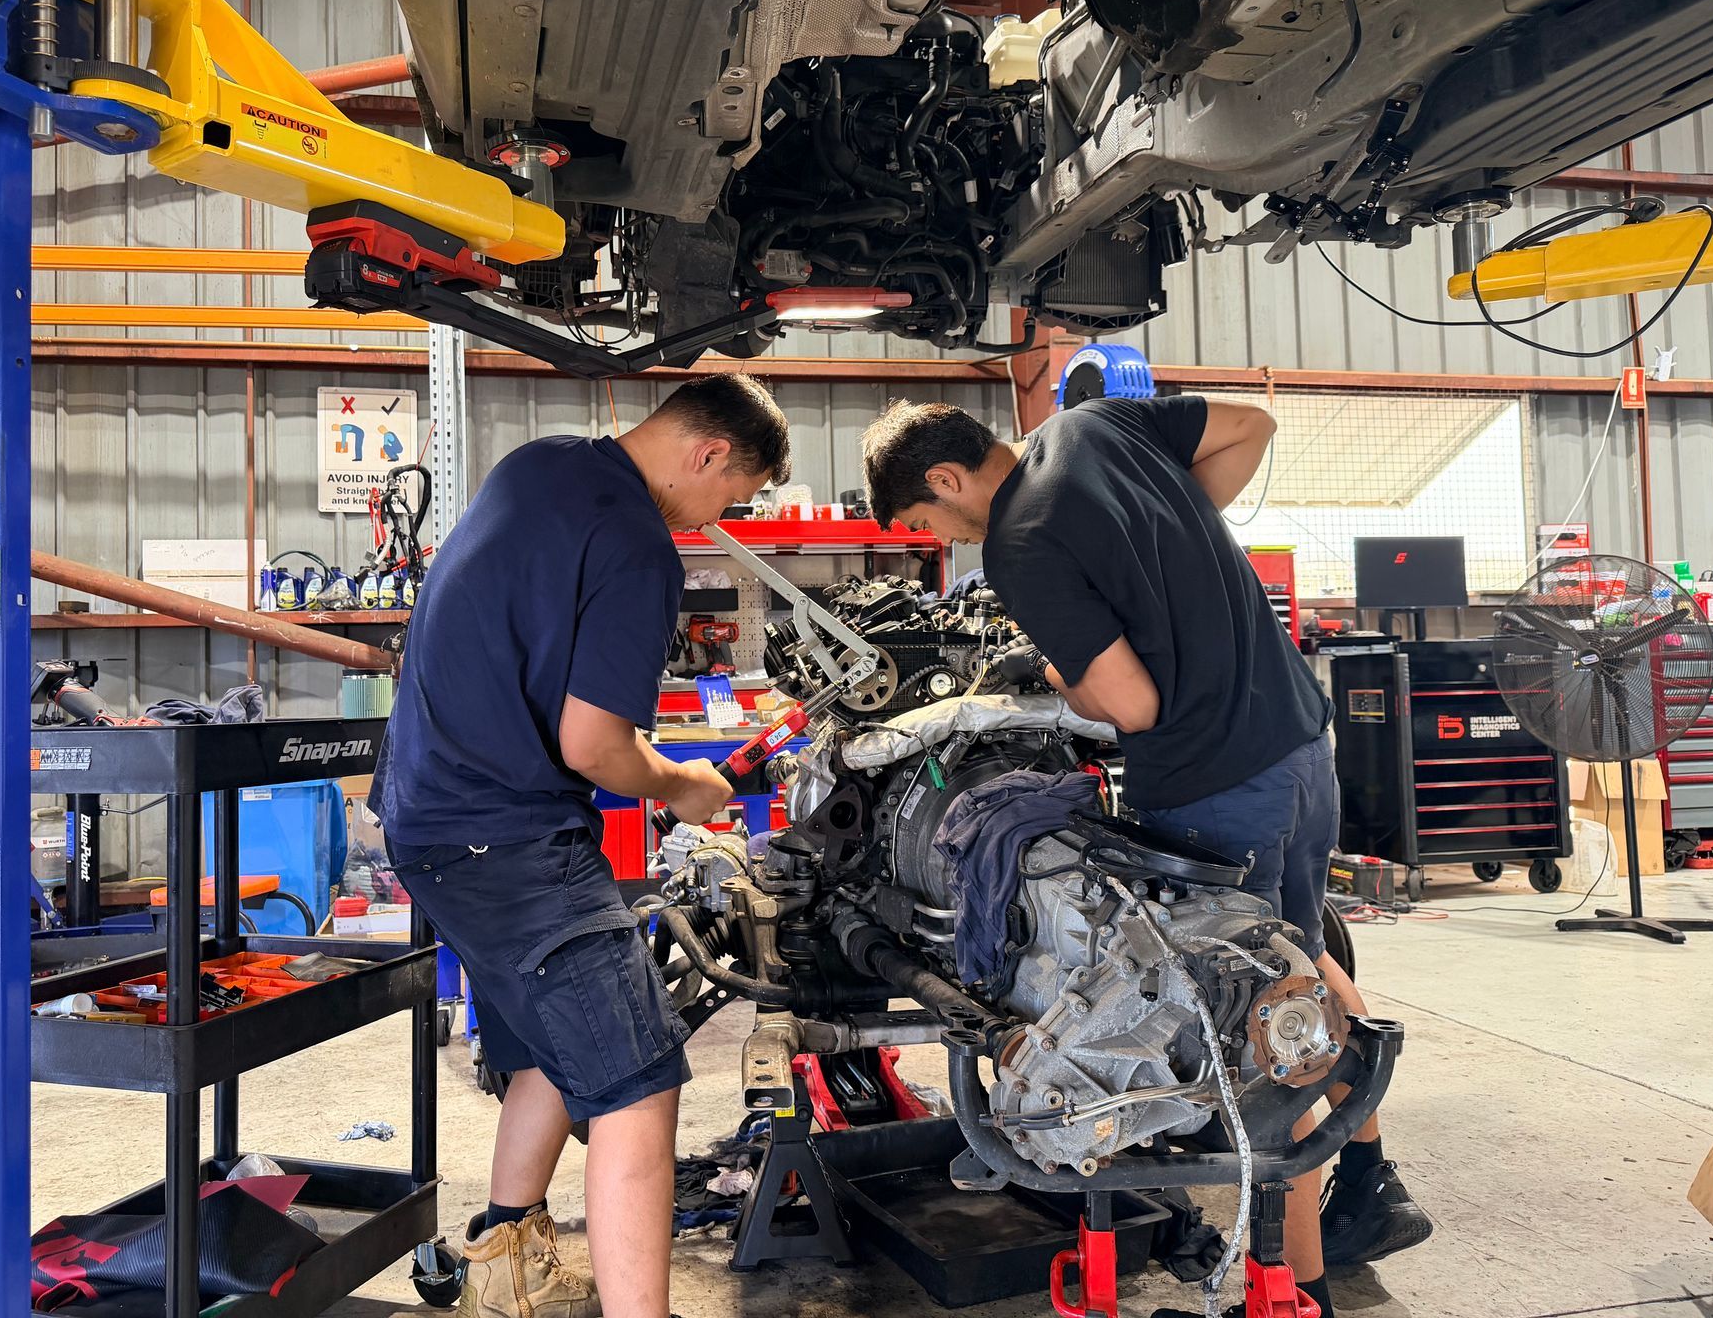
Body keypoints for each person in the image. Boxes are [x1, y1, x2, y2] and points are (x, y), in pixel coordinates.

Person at [860, 396, 1433, 1306]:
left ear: (946, 479)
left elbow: (1130, 708)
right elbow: (1252, 426)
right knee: (1300, 952)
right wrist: (1175, 564)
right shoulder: (1093, 427)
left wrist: (1061, 680)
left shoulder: (1020, 542)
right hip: (1298, 742)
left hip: (1213, 778)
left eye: (927, 523)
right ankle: (1368, 1177)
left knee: (1238, 1018)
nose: (943, 538)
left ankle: (1298, 1284)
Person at [371, 375, 792, 1318]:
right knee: (638, 1085)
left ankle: (507, 1260)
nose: (718, 516)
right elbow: (593, 747)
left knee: (554, 1056)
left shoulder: (541, 465)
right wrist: (688, 785)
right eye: (732, 494)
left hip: (427, 816)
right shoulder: (640, 546)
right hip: (507, 838)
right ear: (709, 453)